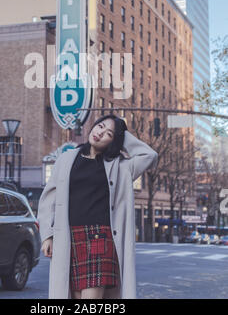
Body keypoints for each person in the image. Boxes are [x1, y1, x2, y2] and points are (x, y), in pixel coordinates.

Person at [37, 114, 158, 299]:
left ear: (114, 141)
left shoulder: (121, 167)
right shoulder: (67, 159)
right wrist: (47, 235)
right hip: (70, 237)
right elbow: (48, 199)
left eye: (108, 133)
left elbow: (150, 155)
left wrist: (121, 133)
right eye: (100, 126)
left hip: (100, 238)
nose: (100, 133)